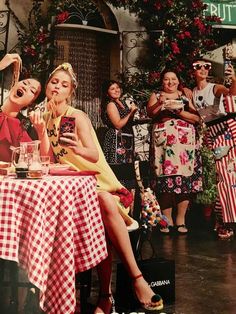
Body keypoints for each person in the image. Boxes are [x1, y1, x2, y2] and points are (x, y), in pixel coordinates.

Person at [30, 63, 164, 313]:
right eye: (53, 82)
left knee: (102, 202)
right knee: (89, 216)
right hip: (72, 188)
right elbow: (47, 158)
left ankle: (136, 279)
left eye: (64, 84)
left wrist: (77, 148)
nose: (57, 87)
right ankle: (101, 297)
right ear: (47, 86)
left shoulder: (76, 115)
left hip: (98, 182)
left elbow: (92, 154)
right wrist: (40, 130)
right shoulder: (45, 117)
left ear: (71, 92)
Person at [147, 69, 202, 234]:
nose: (170, 82)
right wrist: (161, 104)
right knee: (165, 181)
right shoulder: (156, 95)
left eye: (173, 79)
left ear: (178, 81)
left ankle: (181, 220)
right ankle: (166, 220)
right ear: (162, 82)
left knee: (184, 182)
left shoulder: (185, 96)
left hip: (185, 146)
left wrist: (180, 112)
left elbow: (196, 118)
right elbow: (150, 113)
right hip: (164, 146)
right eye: (166, 79)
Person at [192, 59, 236, 239]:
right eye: (198, 66)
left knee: (228, 179)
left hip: (226, 132)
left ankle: (228, 222)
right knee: (219, 180)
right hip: (211, 134)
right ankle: (223, 219)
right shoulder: (192, 92)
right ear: (192, 70)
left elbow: (231, 94)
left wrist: (234, 79)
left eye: (206, 66)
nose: (203, 69)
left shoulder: (214, 87)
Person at [0, 53, 41, 162]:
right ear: (14, 85)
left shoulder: (27, 127)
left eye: (32, 91)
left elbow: (33, 161)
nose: (25, 87)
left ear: (30, 103)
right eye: (25, 83)